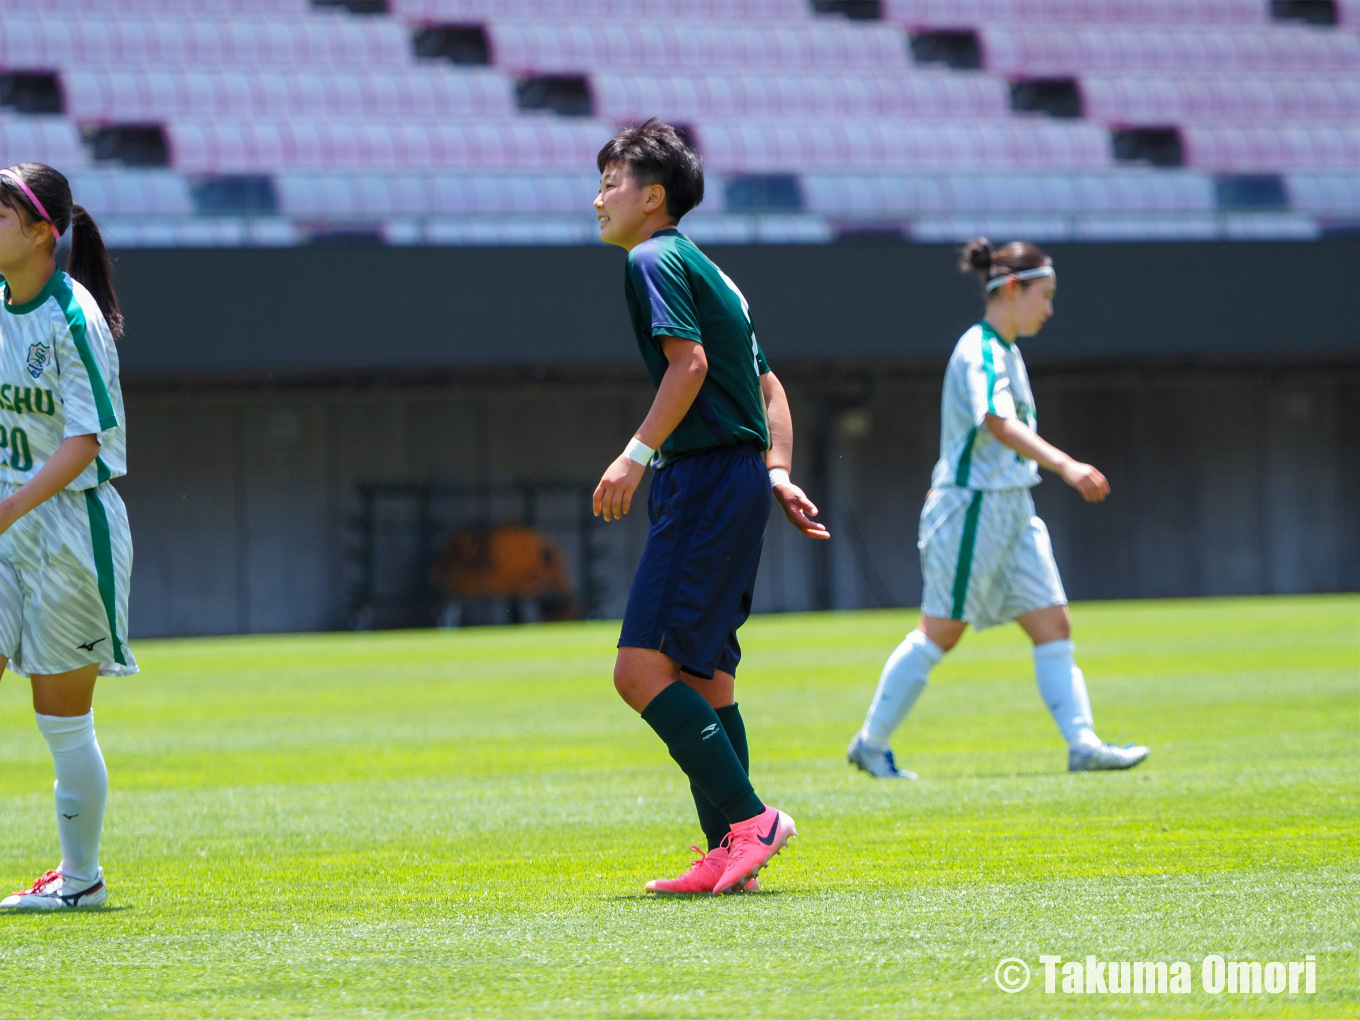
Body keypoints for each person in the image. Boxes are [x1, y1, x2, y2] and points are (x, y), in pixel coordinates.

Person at [592, 120, 829, 895]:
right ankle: (733, 852)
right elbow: (770, 388)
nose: (598, 199)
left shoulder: (653, 257)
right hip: (736, 479)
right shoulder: (712, 271)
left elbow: (688, 363)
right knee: (707, 678)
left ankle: (751, 822)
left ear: (652, 196)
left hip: (701, 481)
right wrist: (777, 469)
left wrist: (634, 454)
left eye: (610, 182)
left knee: (638, 672)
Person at [847, 238, 1148, 779]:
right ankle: (870, 743)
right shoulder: (981, 348)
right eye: (1045, 295)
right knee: (941, 630)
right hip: (973, 512)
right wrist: (1067, 465)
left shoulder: (1005, 350)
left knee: (1053, 624)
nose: (1050, 308)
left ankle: (1083, 744)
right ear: (1012, 289)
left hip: (1011, 509)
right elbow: (997, 422)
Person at [0, 162, 135, 909]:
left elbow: (86, 440)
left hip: (70, 532)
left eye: (0, 214)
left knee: (63, 721)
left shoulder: (72, 316)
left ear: (44, 232)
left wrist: (11, 506)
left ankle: (79, 880)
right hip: (8, 524)